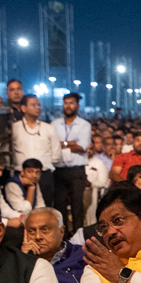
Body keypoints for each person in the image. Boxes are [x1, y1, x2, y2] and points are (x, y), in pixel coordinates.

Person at [22, 207, 87, 283]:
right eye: (31, 231)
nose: (38, 236)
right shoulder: (19, 261)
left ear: (61, 231)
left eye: (45, 230)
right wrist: (23, 259)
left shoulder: (82, 255)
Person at [50, 92, 91, 234]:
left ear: (77, 106)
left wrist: (62, 143)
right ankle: (62, 236)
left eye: (71, 103)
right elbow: (52, 145)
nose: (68, 106)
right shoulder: (54, 124)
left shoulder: (84, 125)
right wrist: (72, 143)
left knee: (77, 205)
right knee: (59, 205)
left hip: (77, 170)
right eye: (66, 103)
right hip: (59, 170)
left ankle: (78, 235)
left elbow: (82, 147)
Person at [11, 95, 58, 207]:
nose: (38, 107)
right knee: (22, 207)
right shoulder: (15, 128)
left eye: (38, 105)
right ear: (23, 108)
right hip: (21, 175)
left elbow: (56, 154)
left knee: (45, 208)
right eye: (33, 105)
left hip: (43, 175)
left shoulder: (48, 128)